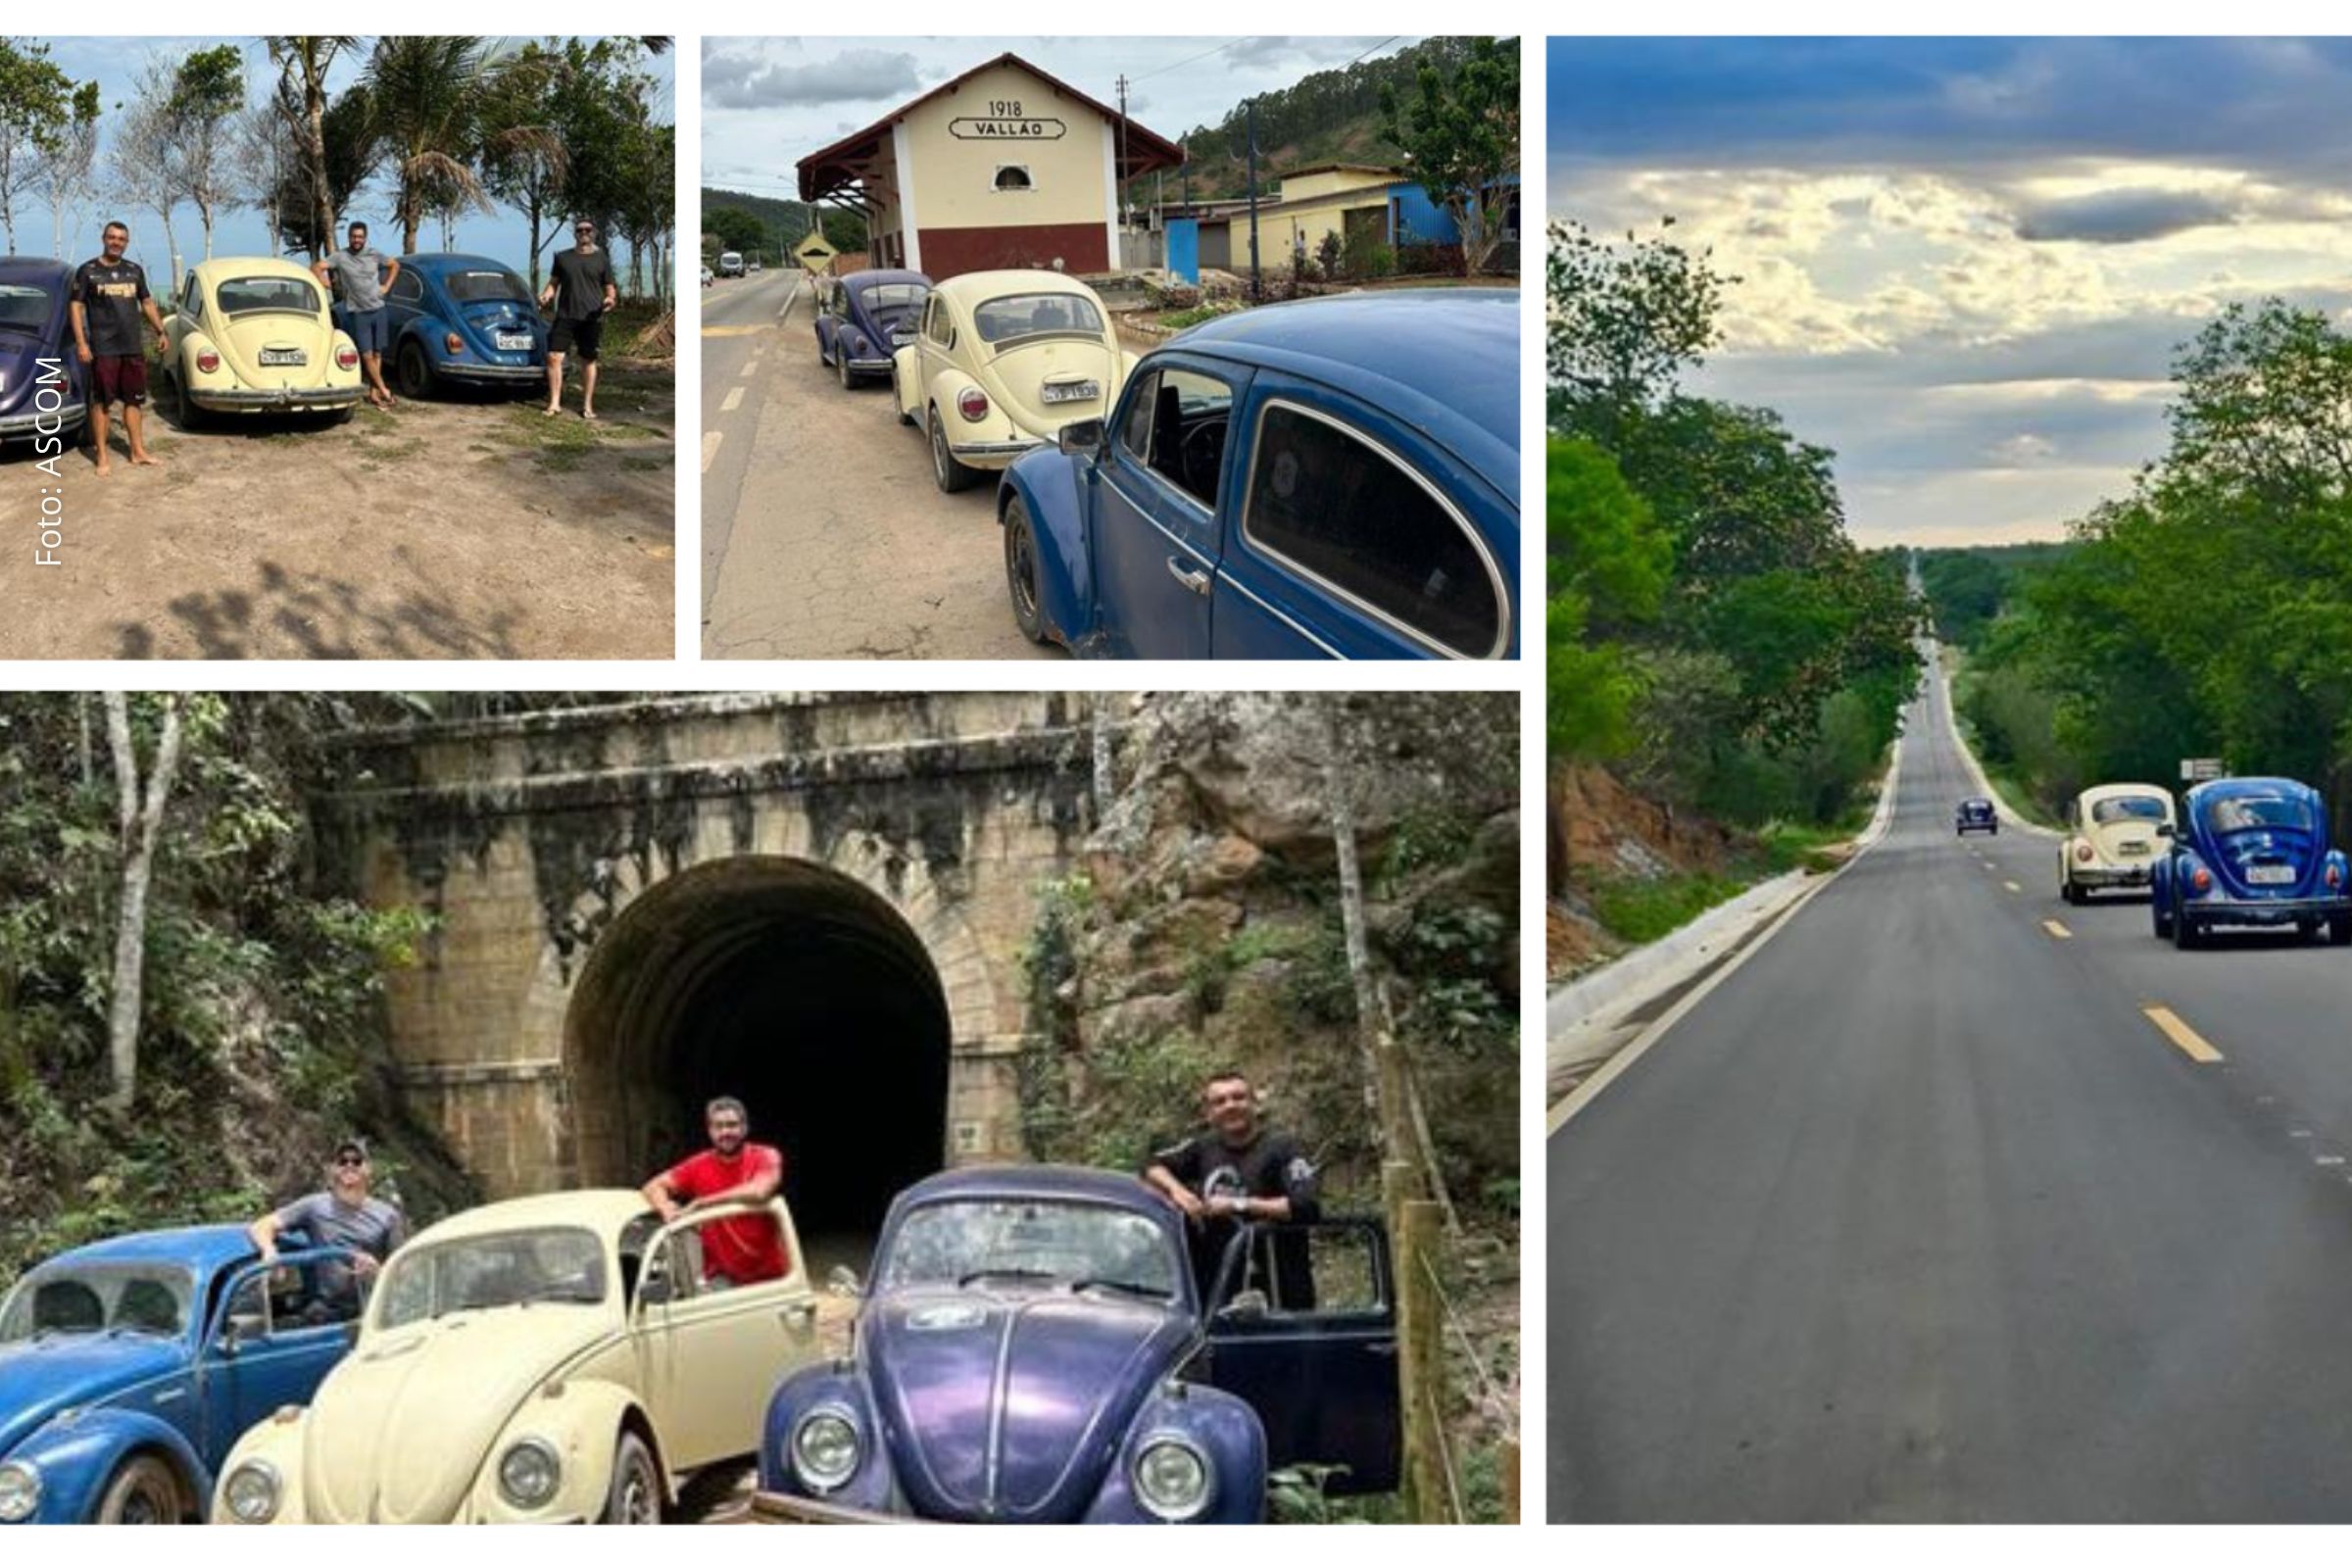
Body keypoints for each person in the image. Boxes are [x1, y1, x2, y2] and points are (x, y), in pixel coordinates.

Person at [1143, 1069, 1320, 1304]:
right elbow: (1151, 1165)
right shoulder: (1203, 1147)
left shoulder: (1283, 1148)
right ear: (1208, 1113)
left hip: (1281, 1292)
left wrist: (1238, 1204)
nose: (1230, 1106)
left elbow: (1306, 1206)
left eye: (1238, 1097)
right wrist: (1179, 1192)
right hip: (1216, 1291)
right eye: (1220, 1101)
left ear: (1254, 1103)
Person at [248, 1138, 408, 1320]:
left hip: (372, 1312)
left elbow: (404, 1274)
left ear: (368, 1169)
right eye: (342, 1161)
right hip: (325, 1312)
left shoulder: (388, 1215)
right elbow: (261, 1226)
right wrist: (270, 1251)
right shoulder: (314, 1206)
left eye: (356, 1161)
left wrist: (376, 1272)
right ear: (333, 1169)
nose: (349, 1165)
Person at [640, 1096, 790, 1287]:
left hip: (772, 1275)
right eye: (718, 1126)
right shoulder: (698, 1165)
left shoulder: (766, 1155)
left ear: (745, 1128)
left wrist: (702, 1203)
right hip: (722, 1277)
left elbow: (760, 1190)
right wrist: (665, 1207)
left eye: (732, 1125)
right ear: (710, 1131)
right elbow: (653, 1186)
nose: (725, 1132)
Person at [69, 220, 169, 476]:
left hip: (132, 346)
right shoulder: (87, 271)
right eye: (112, 237)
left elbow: (147, 302)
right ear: (104, 239)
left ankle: (138, 452)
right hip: (103, 348)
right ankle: (102, 456)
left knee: (134, 401)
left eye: (121, 239)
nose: (116, 242)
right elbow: (76, 307)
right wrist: (81, 343)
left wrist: (161, 330)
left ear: (127, 242)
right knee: (102, 402)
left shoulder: (134, 270)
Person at [315, 221, 401, 409]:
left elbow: (394, 265)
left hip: (378, 309)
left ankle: (374, 394)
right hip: (359, 312)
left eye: (360, 237)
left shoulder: (374, 254)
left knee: (377, 353)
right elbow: (317, 268)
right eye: (354, 236)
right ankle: (384, 390)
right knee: (366, 354)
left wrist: (386, 286)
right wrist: (329, 285)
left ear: (365, 238)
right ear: (349, 237)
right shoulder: (340, 257)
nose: (357, 240)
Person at [541, 218, 617, 419]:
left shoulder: (601, 259)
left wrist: (610, 299)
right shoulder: (562, 258)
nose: (584, 233)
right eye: (580, 230)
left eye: (588, 230)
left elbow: (609, 287)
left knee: (588, 360)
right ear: (575, 233)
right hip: (565, 315)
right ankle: (554, 403)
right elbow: (553, 283)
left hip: (591, 317)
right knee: (553, 356)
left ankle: (587, 405)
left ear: (594, 233)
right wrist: (546, 295)